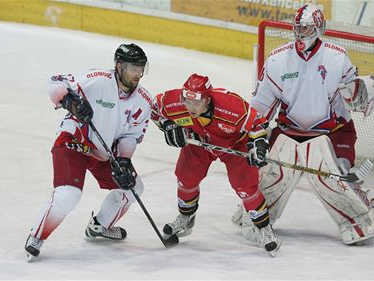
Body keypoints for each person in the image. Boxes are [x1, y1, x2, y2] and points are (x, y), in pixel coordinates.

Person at [233, 4, 374, 246]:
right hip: (288, 131)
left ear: (319, 27)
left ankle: (360, 220)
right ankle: (255, 217)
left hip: (331, 133)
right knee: (272, 176)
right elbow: (260, 107)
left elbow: (354, 97)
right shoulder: (278, 60)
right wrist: (253, 138)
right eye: (298, 27)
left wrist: (367, 89)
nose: (301, 33)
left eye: (307, 28)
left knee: (332, 178)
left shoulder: (337, 58)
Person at [24, 43, 152, 261]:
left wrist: (123, 160)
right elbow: (55, 82)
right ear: (119, 66)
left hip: (103, 151)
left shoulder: (144, 101)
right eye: (133, 68)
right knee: (69, 194)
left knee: (133, 188)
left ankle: (99, 226)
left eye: (141, 69)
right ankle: (37, 236)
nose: (138, 74)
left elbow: (131, 135)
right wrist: (68, 101)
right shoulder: (98, 79)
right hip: (74, 141)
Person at [151, 73, 281, 256]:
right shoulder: (174, 102)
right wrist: (168, 126)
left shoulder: (232, 107)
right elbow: (153, 109)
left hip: (235, 144)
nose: (190, 108)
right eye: (187, 102)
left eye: (196, 103)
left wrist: (258, 146)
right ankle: (186, 218)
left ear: (207, 100)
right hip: (199, 141)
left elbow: (258, 125)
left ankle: (265, 229)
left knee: (245, 187)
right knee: (186, 179)